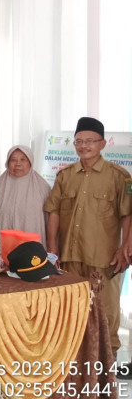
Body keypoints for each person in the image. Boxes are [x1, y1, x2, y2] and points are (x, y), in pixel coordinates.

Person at [44, 117, 131, 378]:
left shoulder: (119, 176)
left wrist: (125, 249)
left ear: (103, 144)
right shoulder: (65, 176)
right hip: (70, 260)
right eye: (79, 141)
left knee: (106, 317)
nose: (84, 146)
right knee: (73, 315)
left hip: (105, 260)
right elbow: (54, 211)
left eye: (90, 141)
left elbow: (128, 214)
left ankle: (106, 375)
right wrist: (52, 248)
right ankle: (77, 373)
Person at [0, 145, 51, 243]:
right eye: (13, 160)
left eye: (23, 160)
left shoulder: (42, 187)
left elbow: (49, 219)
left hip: (33, 244)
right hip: (6, 243)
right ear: (7, 163)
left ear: (30, 162)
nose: (18, 164)